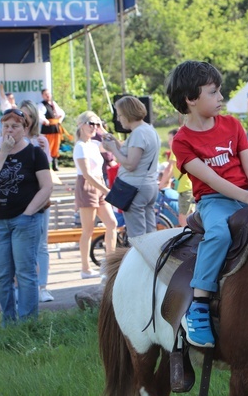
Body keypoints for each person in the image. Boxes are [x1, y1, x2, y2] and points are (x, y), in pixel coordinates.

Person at [165, 60, 248, 348]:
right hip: (214, 199)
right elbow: (210, 178)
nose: (221, 97)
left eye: (219, 91)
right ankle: (199, 303)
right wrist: (247, 197)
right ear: (190, 99)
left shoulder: (232, 125)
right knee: (220, 234)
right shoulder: (182, 141)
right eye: (213, 92)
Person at [0, 108, 53, 326]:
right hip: (0, 222)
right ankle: (9, 322)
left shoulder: (34, 154)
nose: (10, 130)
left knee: (25, 273)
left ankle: (28, 323)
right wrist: (3, 151)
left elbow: (47, 187)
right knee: (1, 275)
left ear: (25, 128)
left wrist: (28, 213)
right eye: (6, 126)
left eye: (15, 126)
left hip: (26, 221)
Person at [102, 96, 161, 239]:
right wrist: (115, 142)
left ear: (128, 114)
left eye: (120, 115)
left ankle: (140, 261)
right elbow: (137, 155)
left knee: (137, 237)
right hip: (149, 186)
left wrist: (112, 149)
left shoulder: (138, 133)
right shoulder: (149, 129)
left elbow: (130, 164)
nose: (118, 119)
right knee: (150, 234)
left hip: (135, 188)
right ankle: (152, 261)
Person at [72, 111, 117, 278]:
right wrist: (106, 190)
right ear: (82, 125)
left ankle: (109, 265)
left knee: (112, 223)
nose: (94, 127)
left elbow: (113, 143)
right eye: (91, 124)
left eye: (96, 124)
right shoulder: (80, 146)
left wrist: (102, 129)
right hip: (87, 186)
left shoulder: (94, 144)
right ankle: (85, 268)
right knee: (88, 229)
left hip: (100, 183)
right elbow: (86, 174)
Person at [20, 100, 55, 300]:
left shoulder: (40, 140)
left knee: (41, 244)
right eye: (21, 116)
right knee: (21, 246)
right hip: (19, 200)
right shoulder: (8, 141)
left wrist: (43, 151)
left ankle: (42, 287)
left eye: (28, 116)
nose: (25, 120)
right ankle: (23, 288)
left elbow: (47, 171)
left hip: (40, 199)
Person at [160, 128, 194, 227]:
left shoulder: (175, 149)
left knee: (182, 219)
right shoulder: (183, 147)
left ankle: (188, 239)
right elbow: (172, 172)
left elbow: (169, 169)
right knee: (190, 215)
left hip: (185, 187)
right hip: (189, 185)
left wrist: (161, 185)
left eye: (171, 139)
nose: (169, 142)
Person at [37, 88, 66, 171]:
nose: (48, 96)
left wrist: (59, 119)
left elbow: (61, 113)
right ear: (42, 96)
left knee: (56, 146)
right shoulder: (41, 105)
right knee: (48, 146)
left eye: (48, 94)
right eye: (45, 94)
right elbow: (39, 115)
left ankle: (55, 164)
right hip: (47, 129)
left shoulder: (53, 104)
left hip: (55, 128)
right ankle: (47, 164)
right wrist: (45, 121)